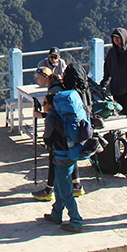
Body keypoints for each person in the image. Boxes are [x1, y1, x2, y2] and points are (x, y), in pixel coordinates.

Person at [31, 67, 83, 201]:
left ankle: (49, 190)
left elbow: (55, 113)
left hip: (60, 131)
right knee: (68, 155)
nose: (36, 81)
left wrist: (40, 115)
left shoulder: (54, 91)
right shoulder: (58, 86)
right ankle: (76, 185)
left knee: (55, 158)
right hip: (68, 128)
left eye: (38, 78)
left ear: (46, 77)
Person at [41, 93, 83, 233]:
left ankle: (76, 221)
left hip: (61, 156)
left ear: (51, 105)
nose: (43, 106)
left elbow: (47, 136)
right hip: (71, 153)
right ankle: (56, 213)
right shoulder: (65, 115)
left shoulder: (52, 118)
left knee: (65, 191)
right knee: (59, 185)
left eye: (44, 103)